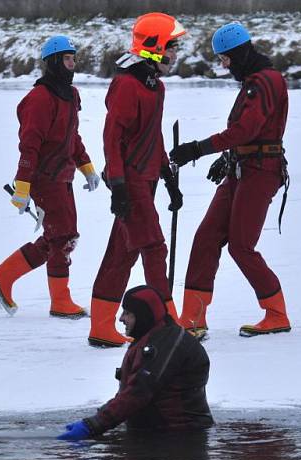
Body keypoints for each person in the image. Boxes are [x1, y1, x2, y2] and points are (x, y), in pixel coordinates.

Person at [169, 22, 291, 338]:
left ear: (238, 53)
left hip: (261, 172)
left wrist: (198, 149)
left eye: (225, 59)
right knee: (206, 237)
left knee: (241, 245)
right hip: (241, 168)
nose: (224, 65)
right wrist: (227, 158)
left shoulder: (264, 82)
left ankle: (276, 313)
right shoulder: (254, 81)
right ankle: (192, 319)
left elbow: (246, 131)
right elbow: (247, 134)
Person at [88, 13, 186, 348]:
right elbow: (111, 138)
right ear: (154, 47)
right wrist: (117, 184)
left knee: (121, 253)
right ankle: (166, 325)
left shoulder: (154, 86)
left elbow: (153, 135)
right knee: (154, 248)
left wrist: (167, 175)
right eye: (171, 47)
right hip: (129, 182)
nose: (175, 53)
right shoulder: (128, 85)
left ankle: (101, 326)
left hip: (147, 180)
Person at [0, 35, 100, 319]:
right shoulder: (38, 99)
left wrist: (85, 166)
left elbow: (72, 136)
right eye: (67, 59)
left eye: (74, 58)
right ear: (53, 63)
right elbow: (29, 145)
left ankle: (4, 274)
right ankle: (60, 301)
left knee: (61, 237)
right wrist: (22, 187)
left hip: (63, 177)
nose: (72, 64)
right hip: (42, 179)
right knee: (62, 237)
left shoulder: (71, 95)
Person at [57, 285, 213, 441]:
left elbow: (138, 393)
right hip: (157, 435)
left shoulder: (165, 345)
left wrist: (92, 425)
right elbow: (129, 393)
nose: (121, 318)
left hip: (178, 440)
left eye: (128, 313)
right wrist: (97, 418)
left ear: (144, 315)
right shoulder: (153, 338)